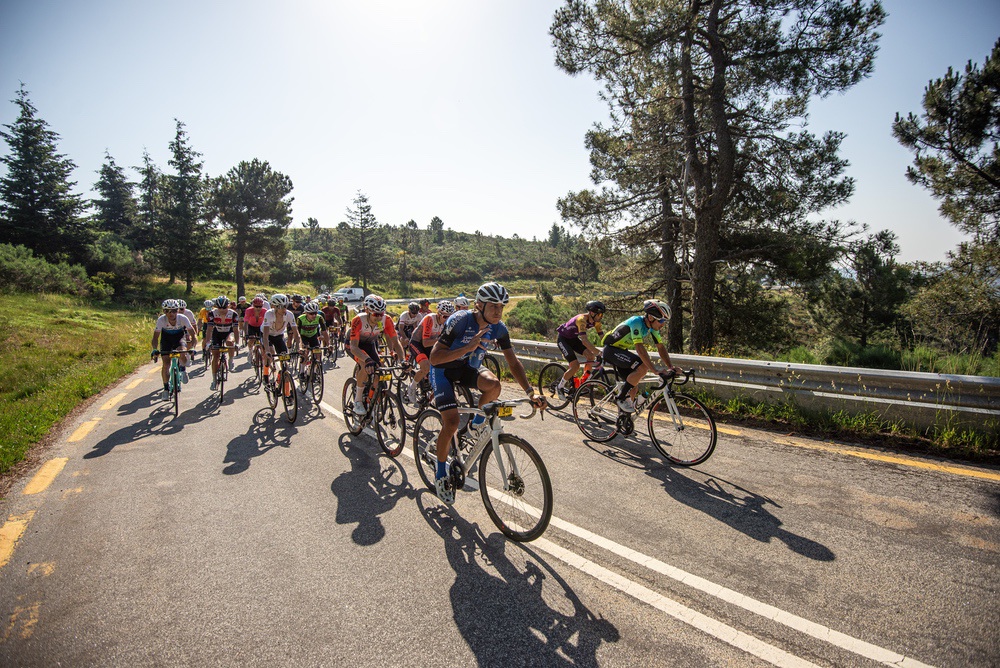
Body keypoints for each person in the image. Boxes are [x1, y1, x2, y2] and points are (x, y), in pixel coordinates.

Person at [428, 282, 546, 504]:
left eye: (501, 306)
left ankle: (476, 424)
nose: (498, 311)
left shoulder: (499, 328)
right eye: (493, 306)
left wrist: (531, 393)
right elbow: (434, 358)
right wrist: (467, 348)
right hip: (443, 370)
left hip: (467, 368)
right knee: (451, 423)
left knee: (494, 385)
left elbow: (513, 363)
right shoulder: (460, 320)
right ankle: (441, 472)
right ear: (479, 305)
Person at [602, 299, 680, 413]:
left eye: (665, 321)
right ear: (651, 317)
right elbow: (639, 348)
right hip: (611, 350)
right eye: (661, 321)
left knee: (634, 386)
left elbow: (660, 347)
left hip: (621, 350)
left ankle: (624, 418)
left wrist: (671, 367)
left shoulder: (652, 328)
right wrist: (654, 370)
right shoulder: (636, 322)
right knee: (642, 367)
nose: (663, 324)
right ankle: (620, 398)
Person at [348, 294, 407, 415]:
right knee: (365, 366)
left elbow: (395, 341)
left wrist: (403, 360)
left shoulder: (386, 320)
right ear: (367, 311)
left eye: (381, 314)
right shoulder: (358, 320)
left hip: (370, 344)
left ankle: (372, 399)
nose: (379, 317)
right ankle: (358, 401)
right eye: (376, 314)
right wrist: (367, 360)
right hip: (354, 345)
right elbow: (354, 347)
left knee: (379, 371)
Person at [404, 299, 455, 405]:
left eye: (450, 317)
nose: (447, 319)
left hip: (431, 345)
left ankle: (431, 388)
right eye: (445, 317)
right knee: (426, 367)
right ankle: (412, 387)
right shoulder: (430, 318)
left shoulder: (447, 323)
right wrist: (441, 340)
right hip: (417, 343)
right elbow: (426, 342)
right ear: (438, 314)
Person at [554, 300, 606, 397]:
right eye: (599, 314)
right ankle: (559, 387)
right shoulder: (581, 320)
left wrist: (610, 347)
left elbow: (603, 337)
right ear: (592, 313)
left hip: (573, 339)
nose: (601, 317)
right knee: (575, 366)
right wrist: (599, 353)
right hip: (563, 339)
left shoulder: (596, 322)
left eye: (602, 315)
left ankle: (583, 382)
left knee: (591, 357)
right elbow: (584, 341)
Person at [151, 299, 197, 401]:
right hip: (166, 340)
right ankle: (166, 389)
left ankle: (183, 369)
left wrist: (192, 347)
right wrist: (154, 349)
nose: (171, 313)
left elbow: (193, 335)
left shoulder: (183, 318)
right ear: (164, 311)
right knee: (166, 364)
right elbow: (155, 338)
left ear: (178, 311)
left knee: (182, 353)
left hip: (179, 338)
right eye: (167, 311)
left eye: (174, 311)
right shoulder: (161, 320)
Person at [261, 293, 300, 380]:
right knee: (270, 353)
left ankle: (281, 377)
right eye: (281, 307)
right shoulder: (269, 314)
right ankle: (265, 373)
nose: (284, 309)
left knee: (284, 357)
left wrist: (298, 347)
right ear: (274, 307)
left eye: (285, 306)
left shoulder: (289, 314)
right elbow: (265, 336)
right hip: (267, 335)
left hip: (278, 336)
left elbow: (296, 333)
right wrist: (267, 351)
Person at [205, 295, 241, 390]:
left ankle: (231, 360)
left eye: (224, 308)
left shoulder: (233, 314)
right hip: (217, 333)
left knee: (230, 342)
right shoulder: (212, 313)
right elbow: (209, 329)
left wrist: (237, 343)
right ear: (216, 307)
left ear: (228, 306)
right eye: (219, 308)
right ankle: (214, 380)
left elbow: (236, 330)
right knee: (215, 355)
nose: (222, 310)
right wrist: (208, 342)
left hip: (229, 332)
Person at [297, 301, 330, 380]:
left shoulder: (319, 317)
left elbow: (324, 332)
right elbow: (297, 334)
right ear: (306, 313)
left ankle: (314, 371)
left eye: (315, 313)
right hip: (303, 336)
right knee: (305, 352)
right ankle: (301, 372)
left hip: (313, 336)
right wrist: (300, 346)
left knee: (318, 353)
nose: (314, 315)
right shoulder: (300, 319)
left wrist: (328, 344)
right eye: (311, 314)